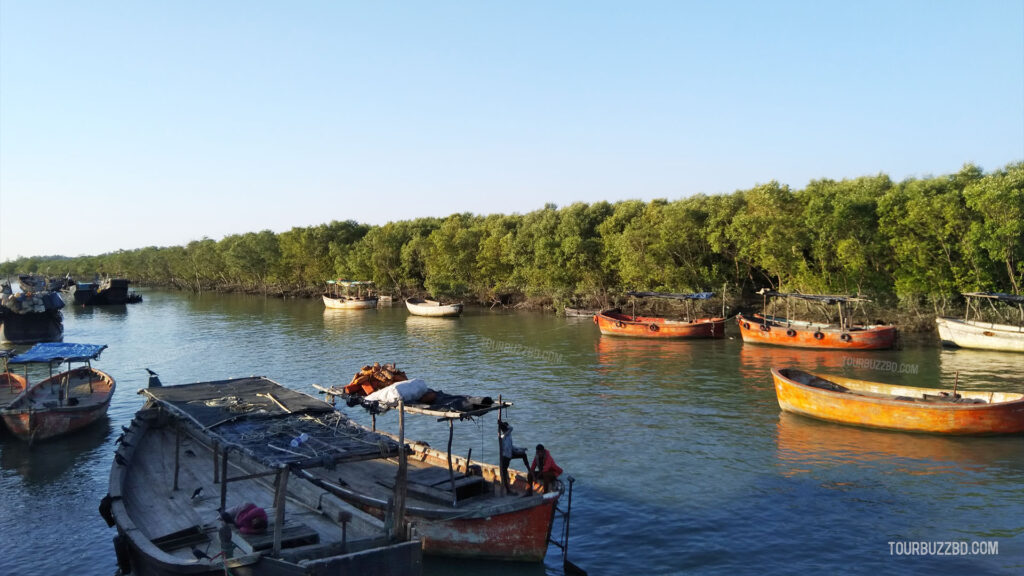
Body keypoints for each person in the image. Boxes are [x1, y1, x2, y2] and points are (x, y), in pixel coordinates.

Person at [498, 420, 532, 495]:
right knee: (504, 472)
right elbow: (511, 428)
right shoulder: (502, 437)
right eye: (506, 428)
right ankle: (508, 490)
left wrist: (521, 449)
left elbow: (512, 447)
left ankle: (530, 470)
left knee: (523, 454)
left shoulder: (509, 436)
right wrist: (501, 424)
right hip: (505, 457)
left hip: (510, 454)